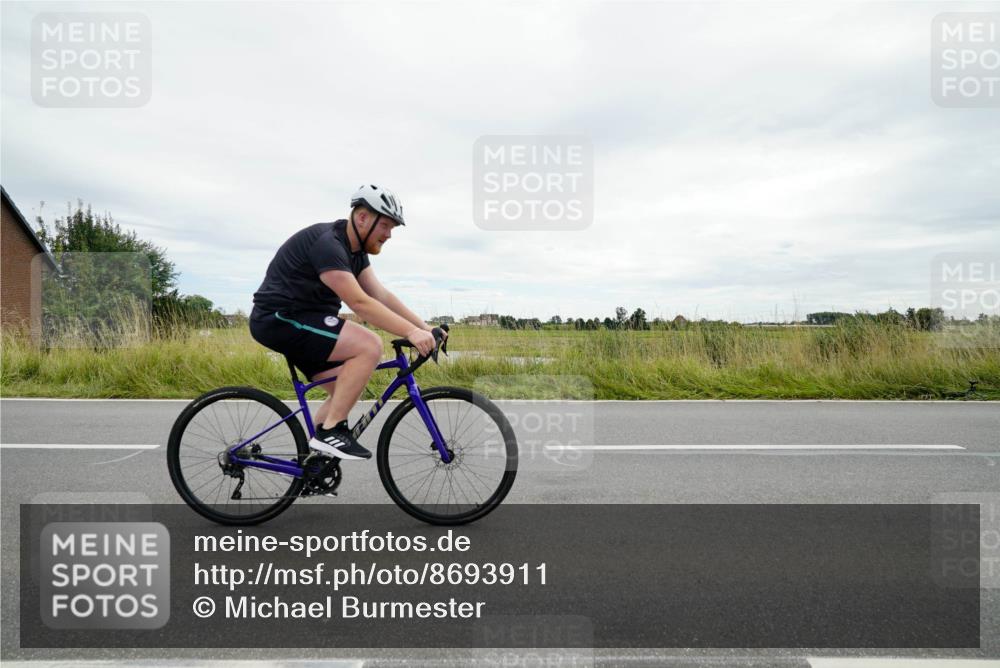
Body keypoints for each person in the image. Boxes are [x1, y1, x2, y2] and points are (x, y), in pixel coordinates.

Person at [249, 185, 444, 461]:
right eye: (386, 225)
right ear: (363, 218)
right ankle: (331, 432)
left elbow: (380, 295)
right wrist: (410, 332)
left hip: (307, 321)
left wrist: (425, 328)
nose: (389, 235)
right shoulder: (328, 245)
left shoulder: (356, 251)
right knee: (369, 346)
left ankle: (312, 465)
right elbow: (360, 304)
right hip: (280, 317)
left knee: (346, 387)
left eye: (392, 229)